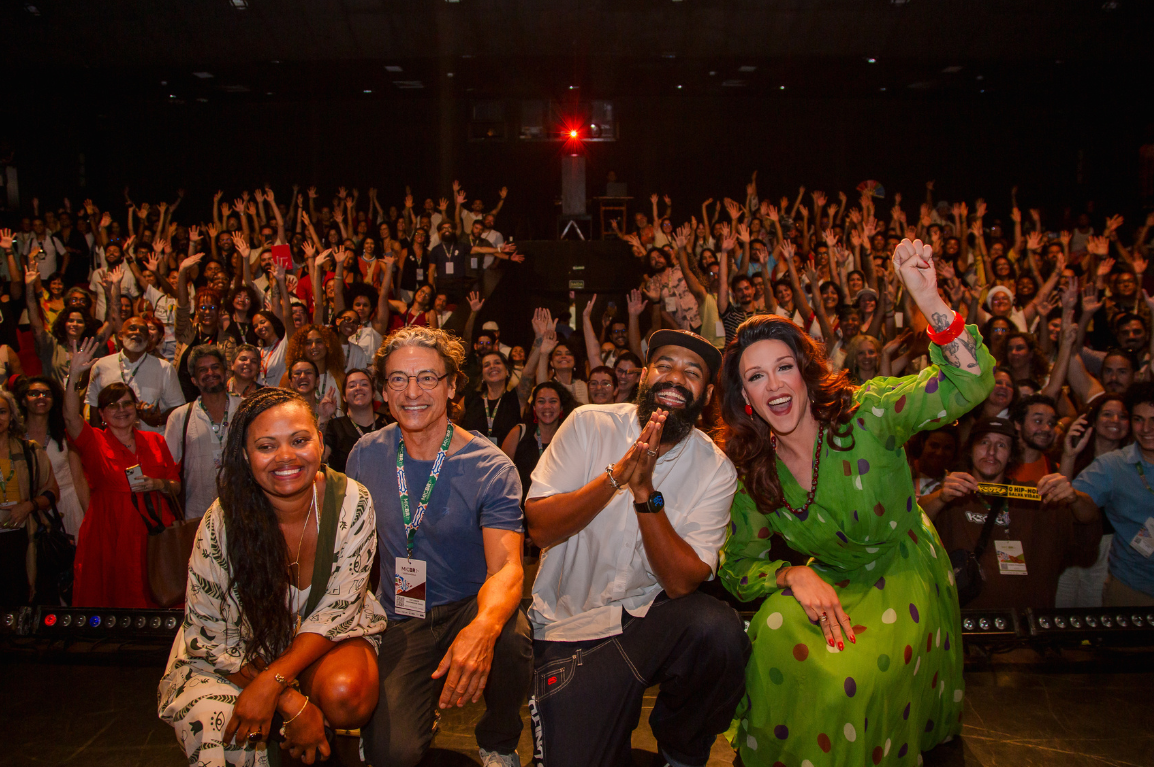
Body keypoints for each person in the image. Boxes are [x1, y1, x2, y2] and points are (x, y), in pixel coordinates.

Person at [718, 239, 993, 767]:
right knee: (772, 631)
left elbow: (970, 382)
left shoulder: (869, 414)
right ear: (744, 397)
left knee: (851, 678)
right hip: (832, 580)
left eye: (783, 368)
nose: (773, 385)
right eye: (755, 377)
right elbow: (737, 568)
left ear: (805, 371)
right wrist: (791, 575)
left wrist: (929, 300)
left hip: (904, 570)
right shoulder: (754, 469)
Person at [524, 328, 748, 767]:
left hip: (646, 622)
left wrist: (645, 494)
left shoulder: (715, 469)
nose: (675, 378)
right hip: (569, 626)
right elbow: (541, 530)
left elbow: (684, 583)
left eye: (693, 372)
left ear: (706, 393)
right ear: (645, 376)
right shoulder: (589, 423)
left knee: (720, 633)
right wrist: (616, 477)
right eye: (665, 365)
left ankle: (679, 753)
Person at [158, 387, 387, 767]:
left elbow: (338, 610)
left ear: (320, 442)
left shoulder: (353, 501)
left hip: (326, 637)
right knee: (225, 729)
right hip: (231, 654)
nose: (285, 457)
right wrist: (288, 700)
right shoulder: (222, 520)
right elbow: (212, 633)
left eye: (299, 440)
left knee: (347, 694)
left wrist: (271, 682)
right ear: (245, 456)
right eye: (266, 446)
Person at [348, 326, 531, 767]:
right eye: (398, 379)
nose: (412, 392)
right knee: (392, 755)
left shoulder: (491, 467)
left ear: (451, 387)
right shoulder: (364, 455)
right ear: (384, 391)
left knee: (512, 637)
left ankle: (499, 740)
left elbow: (507, 567)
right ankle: (413, 716)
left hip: (468, 604)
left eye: (427, 378)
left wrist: (482, 630)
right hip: (401, 615)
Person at [921, 417, 1100, 609]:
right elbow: (914, 520)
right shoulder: (952, 495)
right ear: (970, 451)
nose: (991, 452)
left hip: (1029, 622)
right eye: (984, 442)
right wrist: (940, 497)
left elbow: (1088, 526)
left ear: (1011, 455)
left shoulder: (1037, 496)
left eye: (1001, 445)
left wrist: (1075, 497)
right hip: (968, 621)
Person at [65, 338, 181, 608]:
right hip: (110, 530)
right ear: (102, 414)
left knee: (156, 592)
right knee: (111, 596)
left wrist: (158, 483)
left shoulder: (155, 441)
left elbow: (175, 486)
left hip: (152, 530)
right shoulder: (94, 441)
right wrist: (74, 378)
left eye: (127, 404)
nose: (121, 410)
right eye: (113, 406)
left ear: (136, 408)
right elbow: (71, 418)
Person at [1073, 382, 1154, 606]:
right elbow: (1079, 505)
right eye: (1138, 419)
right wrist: (1072, 496)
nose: (1146, 428)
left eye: (1153, 420)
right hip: (1133, 589)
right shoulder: (1113, 465)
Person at [1055, 394, 1129, 607]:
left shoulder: (1134, 462)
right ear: (1094, 420)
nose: (1115, 421)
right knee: (1061, 607)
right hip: (1071, 542)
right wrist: (1069, 455)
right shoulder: (1077, 454)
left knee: (1094, 610)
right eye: (1107, 414)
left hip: (1110, 546)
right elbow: (1062, 500)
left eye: (1122, 416)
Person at [165, 345, 244, 521]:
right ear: (193, 380)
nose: (210, 373)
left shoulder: (246, 409)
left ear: (226, 373)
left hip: (244, 510)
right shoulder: (180, 417)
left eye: (215, 367)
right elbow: (168, 470)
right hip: (197, 514)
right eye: (203, 370)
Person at [0, 389, 60, 606]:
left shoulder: (30, 451)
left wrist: (28, 506)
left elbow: (52, 492)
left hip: (21, 538)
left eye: (2, 412)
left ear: (12, 416)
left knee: (18, 600)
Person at [86, 315, 185, 434]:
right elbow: (94, 410)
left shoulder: (164, 368)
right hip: (111, 444)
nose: (137, 332)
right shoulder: (101, 366)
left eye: (142, 330)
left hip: (150, 444)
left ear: (149, 338)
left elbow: (178, 409)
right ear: (121, 335)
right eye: (132, 328)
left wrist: (157, 420)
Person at [19, 376, 88, 538]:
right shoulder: (16, 437)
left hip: (67, 504)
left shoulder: (64, 433)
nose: (41, 397)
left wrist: (89, 516)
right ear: (23, 401)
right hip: (30, 507)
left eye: (46, 393)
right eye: (34, 393)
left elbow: (79, 479)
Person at [501, 381, 576, 502]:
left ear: (561, 407)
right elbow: (501, 476)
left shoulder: (570, 438)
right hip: (521, 511)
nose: (547, 406)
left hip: (558, 509)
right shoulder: (519, 433)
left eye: (553, 401)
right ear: (534, 407)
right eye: (541, 401)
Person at [323, 369, 389, 473]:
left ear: (373, 393)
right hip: (346, 488)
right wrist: (323, 418)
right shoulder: (335, 426)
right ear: (344, 397)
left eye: (364, 384)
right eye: (352, 386)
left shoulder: (389, 423)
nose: (358, 388)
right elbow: (320, 458)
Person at [462, 350, 523, 447]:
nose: (492, 366)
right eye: (486, 365)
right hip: (470, 460)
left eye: (497, 363)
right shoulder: (470, 398)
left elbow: (529, 374)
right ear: (483, 377)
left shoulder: (514, 398)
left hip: (504, 460)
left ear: (507, 371)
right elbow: (451, 425)